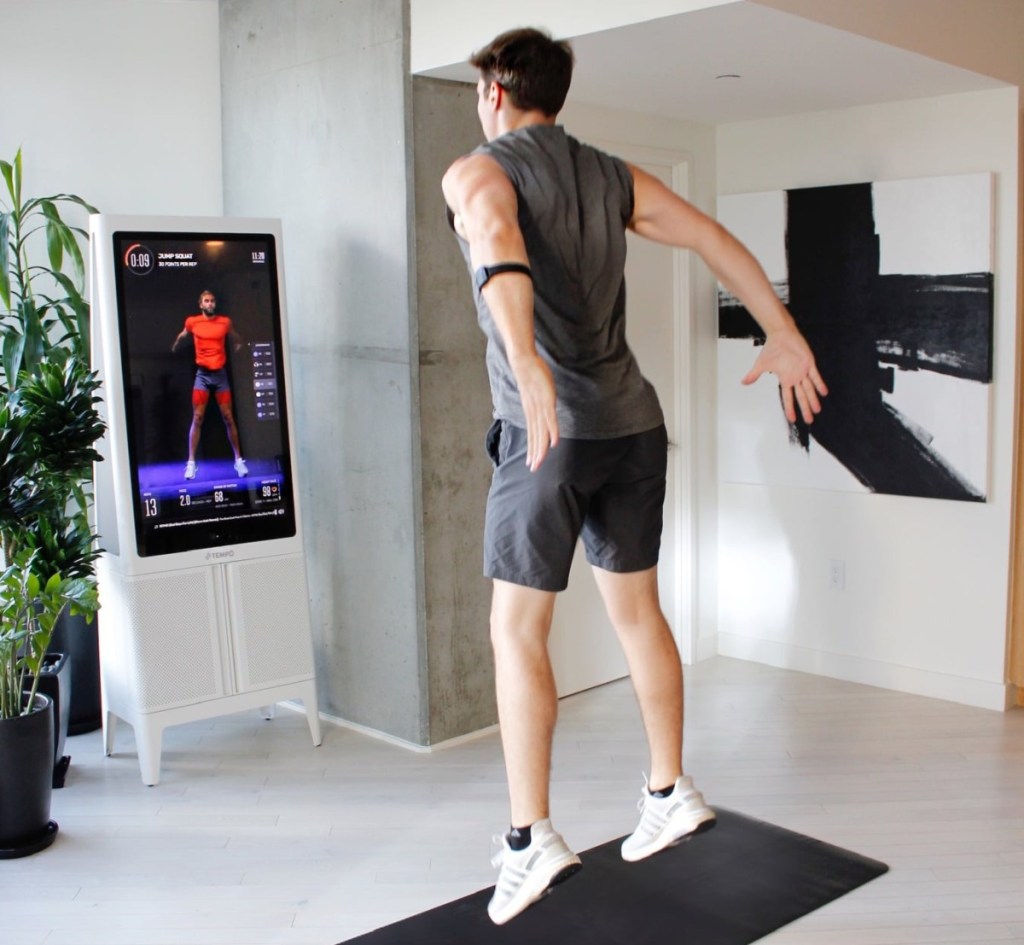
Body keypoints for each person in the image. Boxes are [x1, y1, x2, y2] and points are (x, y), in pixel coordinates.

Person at [442, 27, 828, 926]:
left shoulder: (477, 170)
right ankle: (668, 790)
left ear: (498, 90)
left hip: (550, 435)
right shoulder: (610, 175)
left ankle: (528, 837)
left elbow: (495, 236)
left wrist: (529, 365)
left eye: (478, 90)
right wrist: (784, 328)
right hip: (634, 425)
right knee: (638, 611)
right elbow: (713, 237)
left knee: (516, 631)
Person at [171, 290, 249, 480]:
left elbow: (235, 336)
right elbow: (183, 335)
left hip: (220, 376)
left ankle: (239, 461)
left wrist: (239, 344)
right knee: (197, 418)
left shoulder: (225, 322)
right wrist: (175, 345)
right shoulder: (193, 322)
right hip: (203, 376)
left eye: (213, 301)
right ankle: (191, 463)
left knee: (228, 418)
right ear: (201, 304)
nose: (210, 303)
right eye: (207, 301)